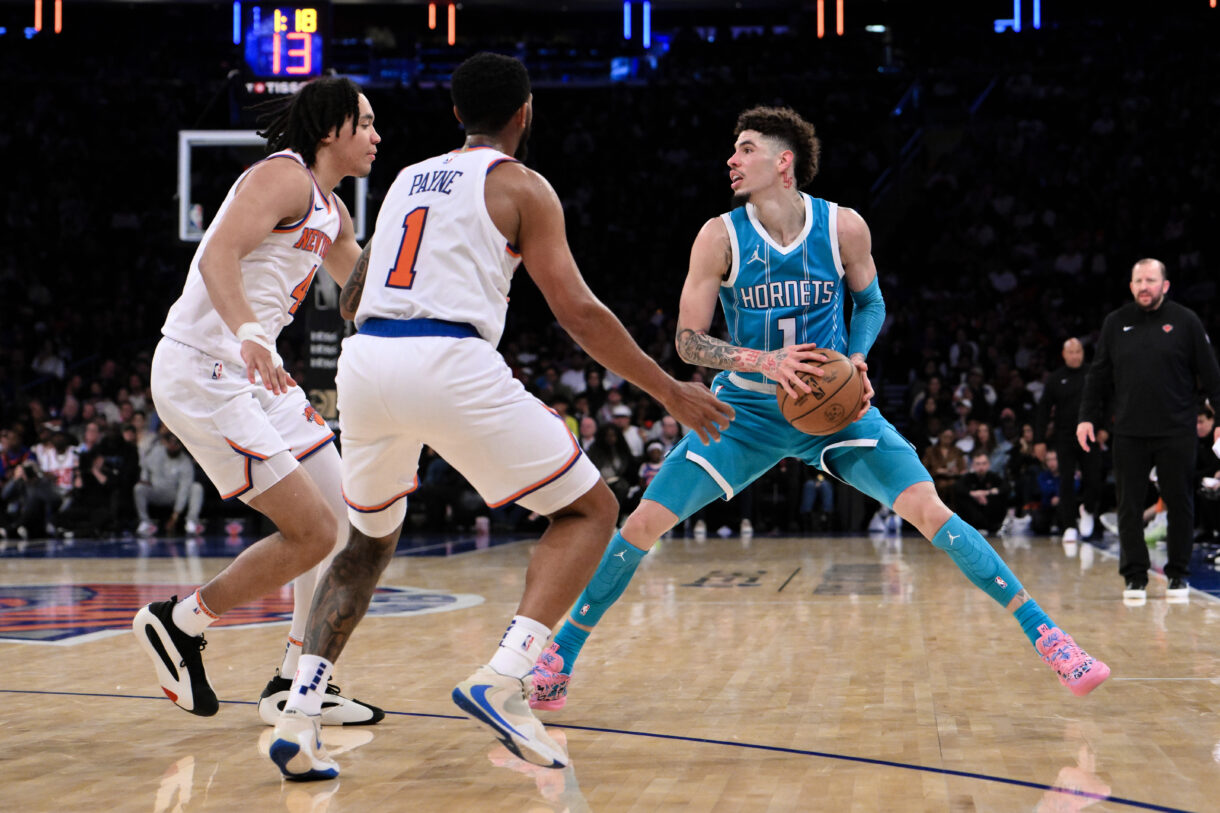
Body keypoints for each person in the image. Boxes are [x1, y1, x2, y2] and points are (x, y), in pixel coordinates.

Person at [529, 105, 1108, 715]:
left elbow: (873, 302)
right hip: (744, 411)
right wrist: (763, 363)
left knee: (928, 508)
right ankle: (559, 657)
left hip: (833, 410)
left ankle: (1051, 638)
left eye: (745, 148)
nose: (732, 158)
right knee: (643, 523)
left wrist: (856, 359)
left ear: (784, 162)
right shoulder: (719, 235)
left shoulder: (844, 227)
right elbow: (688, 341)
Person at [266, 52, 733, 780]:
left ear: (456, 115)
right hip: (447, 357)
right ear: (525, 112)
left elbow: (354, 297)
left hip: (366, 361)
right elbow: (577, 311)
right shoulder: (522, 185)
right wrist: (669, 390)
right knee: (589, 509)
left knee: (366, 542)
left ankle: (297, 712)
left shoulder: (402, 182)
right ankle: (504, 676)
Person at [131, 76, 384, 727]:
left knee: (342, 518)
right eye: (366, 122)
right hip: (204, 365)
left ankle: (295, 680)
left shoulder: (332, 211)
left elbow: (364, 299)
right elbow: (217, 256)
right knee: (312, 531)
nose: (378, 135)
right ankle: (179, 622)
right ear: (332, 130)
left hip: (254, 373)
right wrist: (247, 331)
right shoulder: (284, 178)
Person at [1077, 258, 1220, 601]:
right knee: (1128, 505)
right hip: (1128, 431)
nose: (1145, 286)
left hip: (1177, 430)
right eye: (1138, 280)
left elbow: (1212, 375)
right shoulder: (1116, 322)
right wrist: (1086, 417)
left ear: (1165, 285)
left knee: (1180, 502)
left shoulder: (1185, 321)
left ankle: (1178, 575)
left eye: (1151, 280)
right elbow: (1097, 376)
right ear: (1130, 286)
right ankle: (1135, 576)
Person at [1036, 338, 1101, 542]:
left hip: (1091, 435)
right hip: (1065, 436)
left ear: (1083, 353)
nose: (1075, 356)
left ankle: (1088, 509)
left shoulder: (1093, 373)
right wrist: (1039, 440)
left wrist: (1107, 428)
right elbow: (1043, 410)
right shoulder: (1056, 379)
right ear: (1064, 355)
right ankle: (1069, 525)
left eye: (1078, 351)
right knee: (1066, 479)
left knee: (1094, 479)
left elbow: (1109, 401)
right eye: (1071, 352)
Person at [133, 433, 206, 536]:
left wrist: (174, 516)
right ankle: (145, 522)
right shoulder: (157, 451)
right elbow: (145, 465)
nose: (172, 446)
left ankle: (191, 522)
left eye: (176, 443)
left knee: (196, 488)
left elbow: (183, 489)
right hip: (156, 491)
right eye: (170, 442)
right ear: (166, 443)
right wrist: (144, 478)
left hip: (174, 495)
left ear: (181, 445)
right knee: (139, 488)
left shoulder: (185, 462)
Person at [954, 451, 1010, 535]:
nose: (981, 467)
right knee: (962, 498)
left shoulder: (993, 477)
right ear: (973, 465)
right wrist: (973, 494)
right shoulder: (968, 477)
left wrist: (988, 493)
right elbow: (957, 487)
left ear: (988, 465)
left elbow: (1006, 487)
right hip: (973, 515)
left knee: (998, 496)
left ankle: (993, 527)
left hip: (990, 513)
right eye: (978, 464)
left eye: (984, 463)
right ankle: (975, 527)